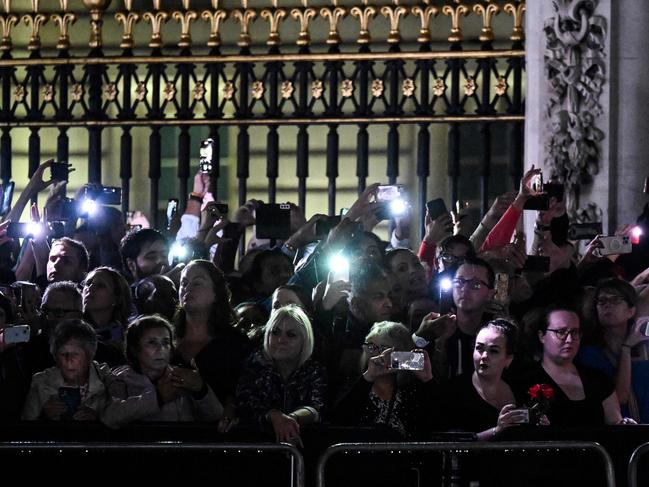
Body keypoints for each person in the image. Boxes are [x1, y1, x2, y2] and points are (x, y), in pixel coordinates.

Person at [102, 315, 223, 428]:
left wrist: (201, 391)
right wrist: (159, 397)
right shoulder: (121, 378)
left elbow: (216, 418)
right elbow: (109, 417)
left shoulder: (182, 377)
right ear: (134, 349)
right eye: (152, 342)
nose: (161, 349)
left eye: (165, 342)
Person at [521, 303, 632, 426]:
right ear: (542, 336)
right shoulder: (525, 379)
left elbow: (615, 425)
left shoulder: (598, 380)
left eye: (575, 332)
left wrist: (625, 425)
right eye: (561, 332)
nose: (569, 340)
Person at [173, 260, 250, 430]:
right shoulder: (165, 339)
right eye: (183, 283)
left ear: (216, 293)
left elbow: (242, 389)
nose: (187, 288)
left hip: (216, 433)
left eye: (197, 283)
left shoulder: (234, 342)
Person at [236, 305, 326, 445]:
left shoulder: (314, 369)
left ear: (305, 340)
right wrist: (274, 416)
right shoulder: (254, 366)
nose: (281, 340)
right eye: (275, 332)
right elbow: (246, 405)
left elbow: (318, 407)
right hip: (256, 446)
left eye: (291, 334)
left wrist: (290, 419)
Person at [332, 321, 434, 439]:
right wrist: (368, 377)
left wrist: (428, 380)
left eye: (383, 348)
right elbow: (337, 420)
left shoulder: (413, 390)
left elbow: (438, 423)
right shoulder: (353, 384)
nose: (376, 354)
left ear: (401, 353)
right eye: (370, 346)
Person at [439, 319, 529, 440]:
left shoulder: (520, 389)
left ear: (508, 359)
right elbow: (449, 443)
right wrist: (496, 430)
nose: (484, 356)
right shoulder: (454, 391)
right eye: (479, 348)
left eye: (493, 351)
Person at [576, 278, 649, 422]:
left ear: (631, 311)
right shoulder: (588, 354)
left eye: (616, 300)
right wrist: (626, 349)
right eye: (602, 301)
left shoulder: (644, 348)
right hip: (617, 431)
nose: (608, 305)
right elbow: (620, 397)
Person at [21, 319, 112, 421]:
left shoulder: (106, 378)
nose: (69, 360)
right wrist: (44, 416)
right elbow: (26, 426)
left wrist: (97, 420)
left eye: (75, 354)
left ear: (89, 356)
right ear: (55, 356)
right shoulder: (42, 382)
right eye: (63, 354)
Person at [82, 266, 133, 353]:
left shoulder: (129, 335)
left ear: (116, 298)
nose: (90, 288)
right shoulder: (75, 328)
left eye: (100, 285)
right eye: (88, 283)